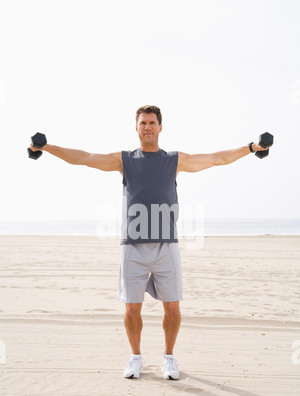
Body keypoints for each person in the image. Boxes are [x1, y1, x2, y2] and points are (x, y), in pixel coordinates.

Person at [30, 105, 267, 380]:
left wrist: (251, 147)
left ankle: (168, 357)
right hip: (133, 246)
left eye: (152, 122)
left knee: (173, 306)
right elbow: (84, 157)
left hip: (166, 245)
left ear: (160, 127)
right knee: (132, 307)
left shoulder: (173, 160)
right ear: (136, 128)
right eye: (143, 123)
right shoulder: (125, 159)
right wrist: (46, 147)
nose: (148, 127)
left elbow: (215, 158)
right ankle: (135, 357)